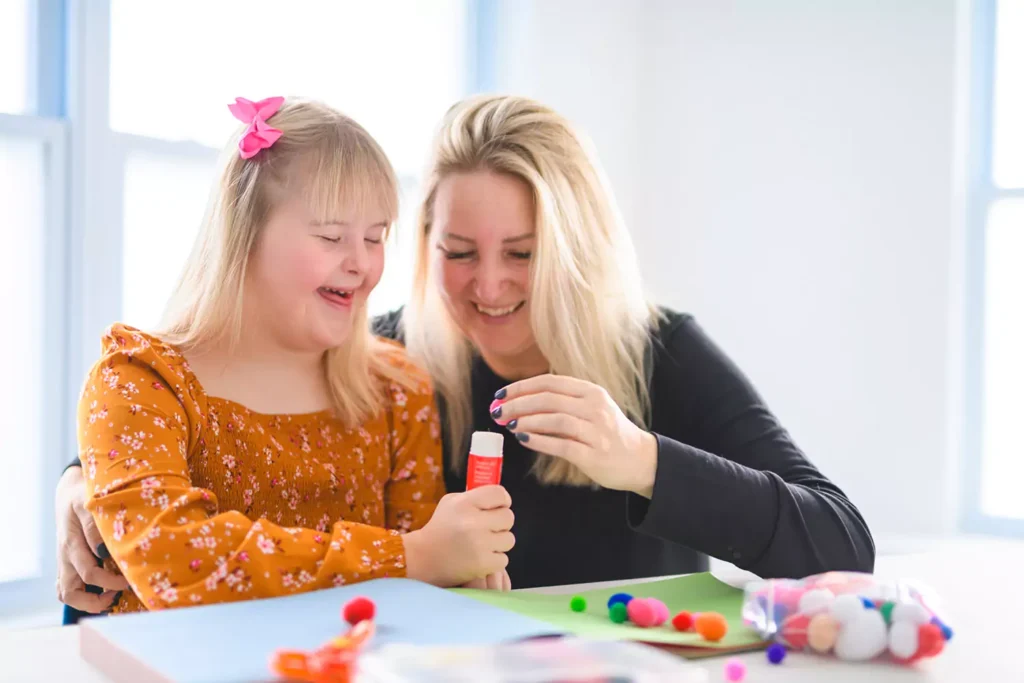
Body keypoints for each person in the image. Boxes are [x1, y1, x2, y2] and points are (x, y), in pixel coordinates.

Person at [57, 94, 873, 616]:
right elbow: (201, 421)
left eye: (522, 253)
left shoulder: (658, 351)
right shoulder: (390, 355)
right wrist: (79, 482)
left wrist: (640, 459)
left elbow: (841, 543)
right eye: (457, 251)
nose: (487, 285)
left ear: (576, 250)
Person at [61, 96, 514, 617]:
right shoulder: (140, 381)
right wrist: (410, 558)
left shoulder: (397, 387)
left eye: (375, 237)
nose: (362, 263)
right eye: (331, 236)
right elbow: (173, 562)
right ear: (245, 236)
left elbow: (424, 591)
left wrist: (458, 576)